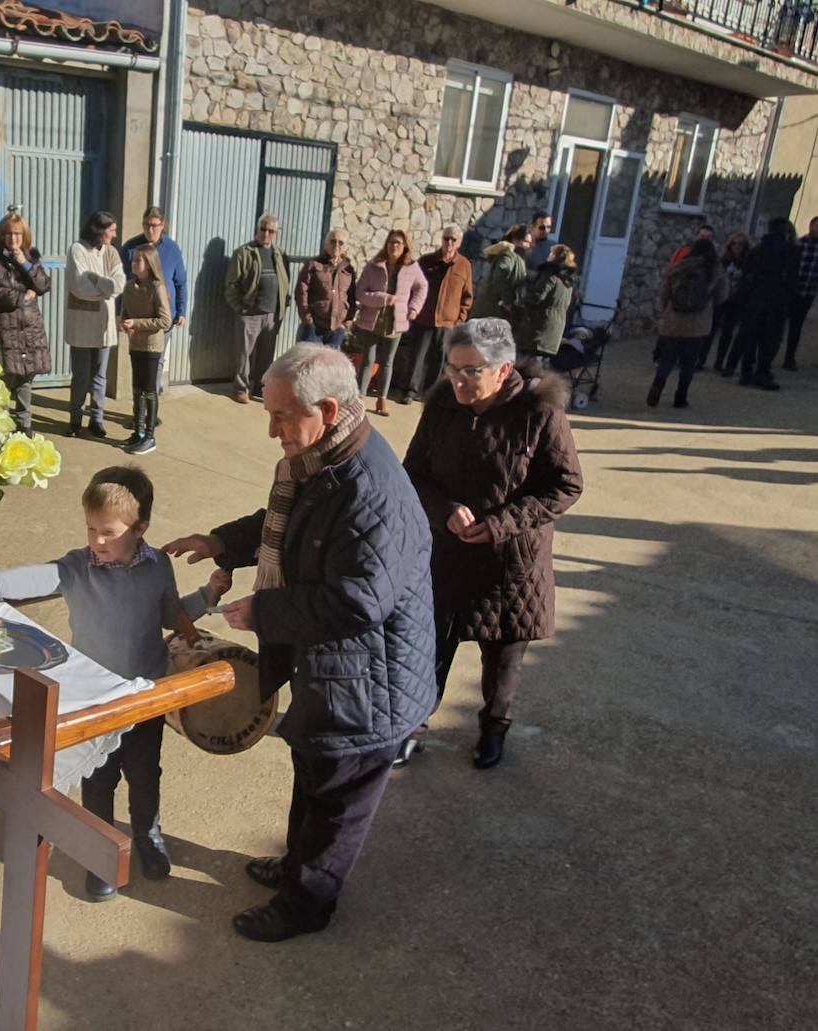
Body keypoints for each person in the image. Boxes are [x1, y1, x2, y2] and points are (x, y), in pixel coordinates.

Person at [165, 345, 436, 943]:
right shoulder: (324, 460)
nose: (271, 431)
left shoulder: (369, 490)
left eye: (283, 417)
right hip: (334, 669)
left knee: (338, 795)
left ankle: (308, 900)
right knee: (312, 766)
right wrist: (223, 543)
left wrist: (263, 609)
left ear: (329, 408)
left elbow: (357, 602)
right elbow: (289, 527)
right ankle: (295, 865)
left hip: (371, 683)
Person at [0, 465, 225, 901]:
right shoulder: (79, 567)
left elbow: (169, 615)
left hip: (142, 694)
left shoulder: (157, 566)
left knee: (144, 772)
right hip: (95, 699)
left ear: (139, 528)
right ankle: (100, 851)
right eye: (90, 529)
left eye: (107, 531)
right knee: (99, 778)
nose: (96, 540)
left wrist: (208, 597)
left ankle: (147, 835)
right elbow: (42, 575)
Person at [400, 318, 583, 770]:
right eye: (452, 368)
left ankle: (493, 729)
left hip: (510, 565)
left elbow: (565, 485)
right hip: (447, 554)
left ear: (502, 371)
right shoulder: (443, 405)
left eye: (471, 371)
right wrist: (444, 510)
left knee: (502, 660)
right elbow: (414, 474)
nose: (458, 380)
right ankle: (412, 728)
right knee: (430, 649)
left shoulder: (538, 411)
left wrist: (502, 523)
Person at [0, 208, 50, 435]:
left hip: (29, 329)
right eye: (9, 234)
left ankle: (24, 425)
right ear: (2, 235)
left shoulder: (31, 258)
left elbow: (43, 286)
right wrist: (21, 297)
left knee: (25, 380)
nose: (13, 238)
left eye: (18, 234)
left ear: (24, 236)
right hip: (5, 329)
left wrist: (25, 264)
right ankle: (0, 424)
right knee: (2, 379)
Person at [348, 228, 427, 416]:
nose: (394, 246)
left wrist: (414, 308)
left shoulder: (411, 268)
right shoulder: (374, 266)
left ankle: (382, 399)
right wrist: (383, 298)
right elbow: (360, 293)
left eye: (398, 243)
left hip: (395, 322)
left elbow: (422, 287)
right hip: (372, 321)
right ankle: (359, 397)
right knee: (367, 360)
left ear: (405, 246)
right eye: (391, 242)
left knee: (387, 362)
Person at [397, 225, 474, 403]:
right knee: (417, 357)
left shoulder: (464, 266)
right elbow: (412, 286)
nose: (449, 242)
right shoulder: (427, 261)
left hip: (448, 322)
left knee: (439, 362)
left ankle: (430, 394)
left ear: (459, 243)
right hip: (424, 319)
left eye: (453, 240)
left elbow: (467, 296)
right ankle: (410, 391)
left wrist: (459, 319)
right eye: (446, 238)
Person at [65, 210, 125, 438]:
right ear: (99, 230)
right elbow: (79, 286)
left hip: (103, 325)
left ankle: (97, 419)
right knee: (81, 375)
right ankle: (75, 419)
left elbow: (119, 285)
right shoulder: (77, 250)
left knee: (100, 376)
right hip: (81, 324)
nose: (115, 234)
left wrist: (98, 281)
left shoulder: (112, 253)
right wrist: (105, 291)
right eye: (112, 229)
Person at [649, 237, 726, 409]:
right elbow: (722, 296)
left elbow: (664, 293)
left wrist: (665, 311)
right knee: (689, 363)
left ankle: (657, 387)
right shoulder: (715, 270)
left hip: (673, 322)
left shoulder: (678, 267)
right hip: (698, 325)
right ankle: (680, 397)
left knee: (666, 360)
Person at [722, 216, 797, 390]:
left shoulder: (757, 250)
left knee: (751, 338)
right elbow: (792, 280)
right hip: (776, 303)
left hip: (754, 302)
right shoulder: (789, 252)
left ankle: (746, 373)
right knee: (770, 340)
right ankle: (762, 372)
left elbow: (747, 276)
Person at [121, 206, 187, 399]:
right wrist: (121, 314)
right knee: (139, 365)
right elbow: (122, 283)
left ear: (162, 225)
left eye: (154, 226)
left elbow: (181, 282)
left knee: (156, 364)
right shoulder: (131, 248)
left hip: (163, 317)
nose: (150, 230)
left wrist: (181, 311)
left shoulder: (172, 249)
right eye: (146, 225)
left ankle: (151, 409)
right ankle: (139, 411)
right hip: (137, 318)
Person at [224, 214, 290, 404]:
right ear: (257, 229)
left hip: (272, 314)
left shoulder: (279, 254)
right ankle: (240, 388)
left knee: (266, 355)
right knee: (243, 354)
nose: (266, 234)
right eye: (263, 229)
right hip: (250, 314)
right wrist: (240, 308)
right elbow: (231, 285)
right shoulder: (244, 253)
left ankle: (261, 388)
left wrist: (283, 306)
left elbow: (285, 281)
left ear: (275, 234)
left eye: (271, 231)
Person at [119, 245, 172, 454]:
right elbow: (125, 313)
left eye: (139, 261)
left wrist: (137, 324)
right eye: (133, 260)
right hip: (136, 345)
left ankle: (150, 436)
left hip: (152, 346)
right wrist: (124, 323)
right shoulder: (129, 286)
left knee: (150, 391)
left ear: (149, 265)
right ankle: (138, 432)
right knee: (137, 391)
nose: (134, 264)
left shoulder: (157, 288)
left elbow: (165, 320)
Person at [513, 244, 577, 363]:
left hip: (537, 331)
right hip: (553, 334)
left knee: (525, 368)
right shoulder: (568, 282)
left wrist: (521, 291)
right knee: (539, 370)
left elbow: (535, 297)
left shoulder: (550, 275)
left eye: (551, 253)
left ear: (554, 256)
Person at [293, 229, 356, 349]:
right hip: (314, 327)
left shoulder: (348, 270)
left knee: (330, 367)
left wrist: (346, 323)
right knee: (309, 364)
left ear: (346, 247)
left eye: (340, 243)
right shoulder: (313, 265)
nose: (336, 245)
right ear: (325, 243)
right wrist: (308, 320)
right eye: (333, 241)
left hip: (337, 329)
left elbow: (352, 298)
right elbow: (301, 293)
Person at [704, 232, 749, 371]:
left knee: (727, 333)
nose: (736, 247)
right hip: (720, 300)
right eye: (733, 243)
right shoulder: (723, 260)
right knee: (710, 331)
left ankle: (719, 362)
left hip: (737, 301)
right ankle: (701, 360)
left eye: (740, 244)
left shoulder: (748, 262)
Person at [468, 224, 529, 320]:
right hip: (492, 312)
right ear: (516, 241)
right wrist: (507, 301)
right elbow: (500, 275)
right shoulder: (509, 255)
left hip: (492, 312)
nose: (529, 246)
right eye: (526, 242)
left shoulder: (516, 258)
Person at [783, 215, 818, 371]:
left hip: (807, 293)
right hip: (790, 292)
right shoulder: (799, 245)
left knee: (796, 328)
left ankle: (789, 358)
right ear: (811, 227)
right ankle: (766, 356)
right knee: (776, 325)